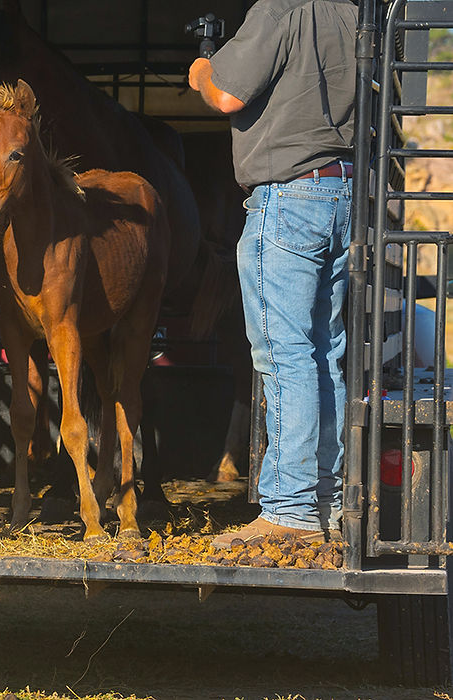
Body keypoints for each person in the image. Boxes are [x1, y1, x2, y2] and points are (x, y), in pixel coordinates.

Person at [187, 0, 359, 548]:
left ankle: (289, 511)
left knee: (284, 356)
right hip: (344, 194)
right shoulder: (356, 16)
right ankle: (326, 503)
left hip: (289, 197)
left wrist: (202, 71)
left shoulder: (278, 10)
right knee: (325, 354)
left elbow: (227, 94)